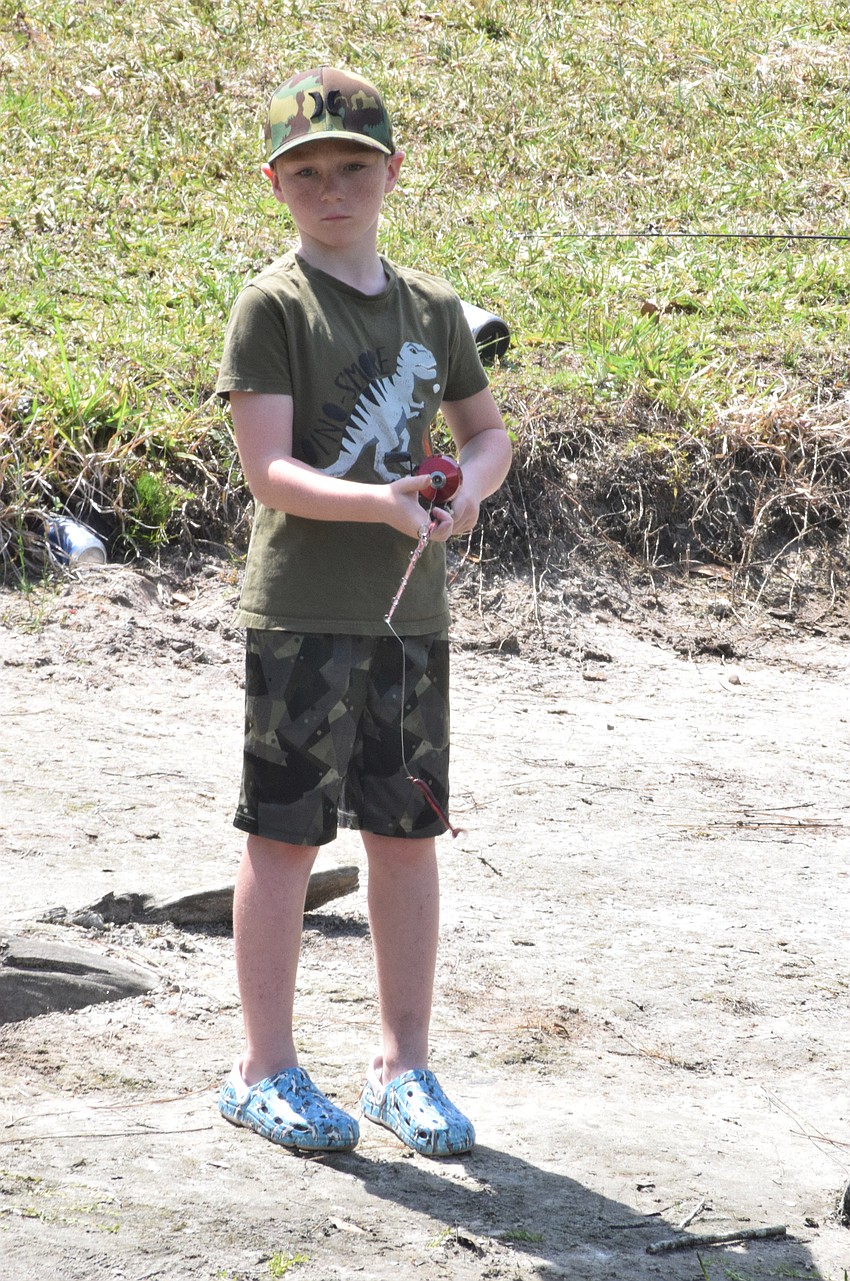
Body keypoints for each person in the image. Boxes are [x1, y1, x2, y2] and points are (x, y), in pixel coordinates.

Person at [214, 66, 512, 1158]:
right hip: (302, 614)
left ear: (393, 172)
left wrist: (467, 491)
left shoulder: (433, 308)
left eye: (352, 166)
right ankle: (262, 1067)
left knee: (406, 835)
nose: (331, 189)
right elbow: (270, 473)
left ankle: (401, 1065)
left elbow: (486, 433)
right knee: (284, 838)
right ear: (275, 185)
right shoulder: (272, 307)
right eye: (306, 173)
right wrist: (382, 503)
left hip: (410, 620)